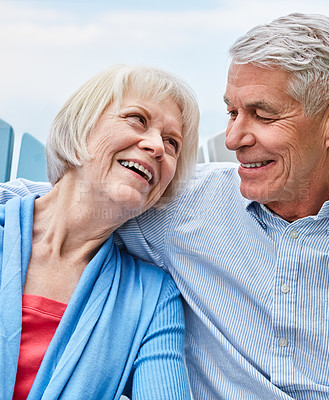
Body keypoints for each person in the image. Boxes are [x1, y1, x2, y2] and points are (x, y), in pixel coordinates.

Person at [2, 13, 329, 399]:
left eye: (263, 114)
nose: (233, 139)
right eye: (232, 113)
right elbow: (73, 200)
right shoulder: (181, 208)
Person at [0, 64, 200, 399]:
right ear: (82, 124)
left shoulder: (152, 297)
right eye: (137, 118)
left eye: (172, 143)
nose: (157, 147)